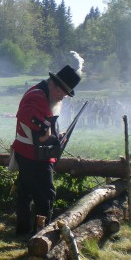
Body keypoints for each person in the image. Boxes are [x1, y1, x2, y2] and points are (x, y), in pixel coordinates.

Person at [11, 65, 81, 236]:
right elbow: (26, 115)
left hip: (32, 153)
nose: (62, 96)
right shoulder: (37, 96)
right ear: (54, 85)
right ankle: (42, 235)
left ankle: (24, 233)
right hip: (33, 155)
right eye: (62, 92)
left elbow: (46, 122)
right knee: (46, 195)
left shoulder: (43, 94)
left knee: (25, 192)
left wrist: (56, 134)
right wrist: (45, 131)